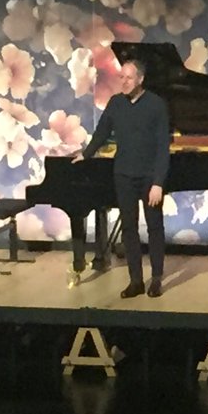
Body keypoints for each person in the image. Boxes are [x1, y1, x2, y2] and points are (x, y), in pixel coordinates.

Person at [73, 59, 170, 298]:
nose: (124, 82)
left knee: (155, 227)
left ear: (140, 79)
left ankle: (156, 278)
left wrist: (158, 182)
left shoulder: (156, 105)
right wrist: (85, 154)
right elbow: (102, 132)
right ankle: (135, 280)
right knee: (129, 228)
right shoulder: (116, 103)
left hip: (149, 177)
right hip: (124, 174)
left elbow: (162, 148)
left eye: (128, 78)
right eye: (122, 78)